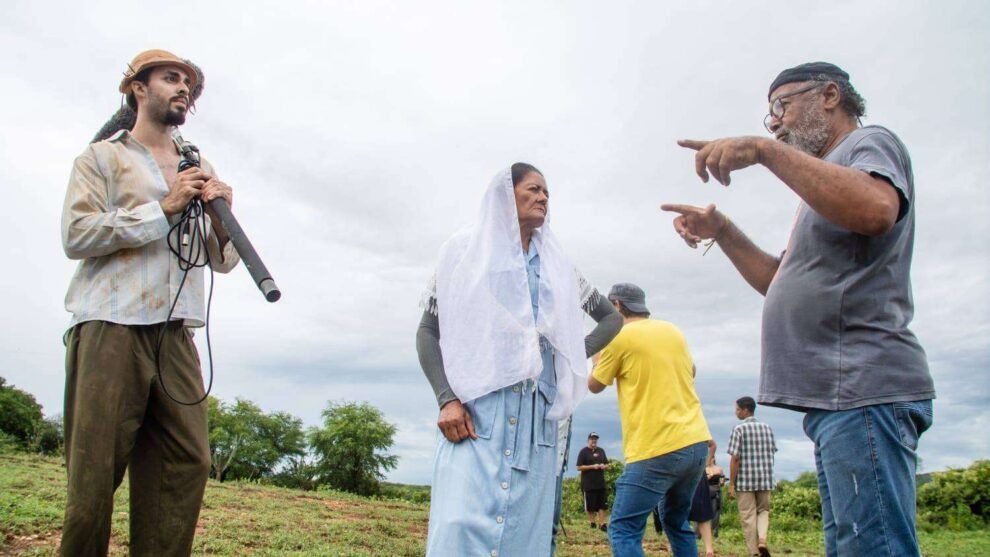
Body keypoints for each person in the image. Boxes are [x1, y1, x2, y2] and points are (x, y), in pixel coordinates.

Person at [662, 61, 935, 557]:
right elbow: (778, 280)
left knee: (870, 548)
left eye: (781, 107)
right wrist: (723, 231)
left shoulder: (869, 144)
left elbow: (877, 210)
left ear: (830, 95)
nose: (778, 124)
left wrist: (764, 151)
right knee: (851, 546)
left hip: (863, 387)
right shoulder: (821, 192)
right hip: (837, 400)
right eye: (770, 120)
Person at [59, 49, 240, 556]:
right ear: (138, 88)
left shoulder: (197, 164)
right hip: (110, 324)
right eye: (170, 78)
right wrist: (163, 207)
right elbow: (77, 235)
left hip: (177, 331)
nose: (183, 87)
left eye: (188, 83)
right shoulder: (101, 158)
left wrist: (221, 215)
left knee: (186, 463)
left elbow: (218, 261)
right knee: (93, 479)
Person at [417, 163, 622, 556]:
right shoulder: (464, 251)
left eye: (547, 192)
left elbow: (611, 319)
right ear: (504, 195)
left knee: (524, 537)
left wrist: (567, 355)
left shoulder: (559, 267)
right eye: (534, 189)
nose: (544, 197)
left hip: (537, 423)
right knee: (458, 528)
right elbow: (428, 331)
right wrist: (446, 398)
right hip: (477, 414)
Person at [589, 283, 711, 557]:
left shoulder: (618, 337)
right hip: (696, 443)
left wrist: (598, 355)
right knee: (676, 521)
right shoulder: (672, 331)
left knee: (622, 527)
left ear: (617, 306)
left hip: (656, 446)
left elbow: (595, 384)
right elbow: (691, 371)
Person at [727, 397, 776, 557]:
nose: (736, 412)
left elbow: (735, 458)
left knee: (748, 516)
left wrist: (731, 483)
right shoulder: (767, 428)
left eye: (737, 409)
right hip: (765, 479)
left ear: (745, 410)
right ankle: (762, 539)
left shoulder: (739, 429)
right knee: (763, 511)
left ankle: (754, 553)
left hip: (745, 480)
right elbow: (772, 452)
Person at [575, 431, 610, 532]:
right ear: (588, 440)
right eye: (592, 439)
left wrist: (604, 466)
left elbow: (607, 464)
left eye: (595, 439)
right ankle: (592, 523)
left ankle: (602, 524)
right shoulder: (583, 452)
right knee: (590, 506)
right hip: (588, 483)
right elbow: (578, 467)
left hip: (600, 482)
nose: (594, 440)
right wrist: (592, 467)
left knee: (603, 504)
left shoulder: (601, 451)